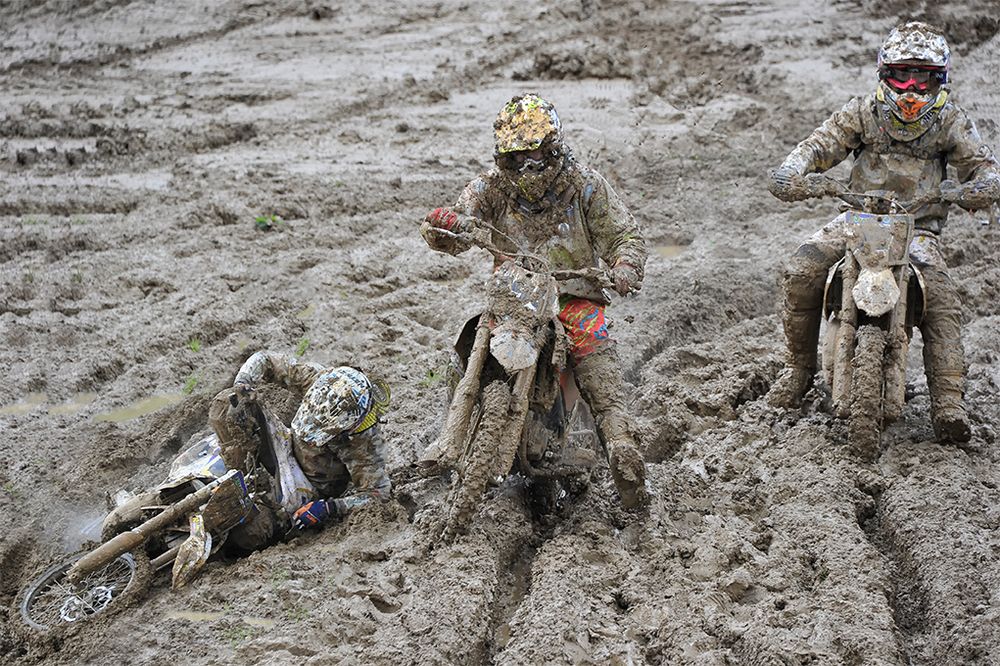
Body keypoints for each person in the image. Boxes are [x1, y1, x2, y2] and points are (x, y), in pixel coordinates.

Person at [766, 22, 1000, 442]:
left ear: (940, 80)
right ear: (883, 75)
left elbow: (985, 168)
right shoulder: (861, 113)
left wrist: (974, 190)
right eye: (901, 76)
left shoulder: (950, 121)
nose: (910, 90)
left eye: (923, 78)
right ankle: (798, 368)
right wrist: (793, 173)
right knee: (801, 270)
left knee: (943, 300)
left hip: (918, 228)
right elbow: (818, 145)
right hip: (855, 218)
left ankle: (948, 401)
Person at [418, 93, 650, 509]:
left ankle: (619, 444)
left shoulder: (586, 187)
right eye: (516, 157)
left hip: (572, 294)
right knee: (470, 341)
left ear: (553, 146)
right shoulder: (490, 188)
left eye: (537, 153)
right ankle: (451, 431)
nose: (528, 166)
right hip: (514, 293)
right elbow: (456, 223)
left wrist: (625, 266)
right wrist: (445, 228)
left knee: (594, 349)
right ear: (502, 157)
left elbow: (624, 236)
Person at [208, 350, 392, 551]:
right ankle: (237, 471)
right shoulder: (321, 379)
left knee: (252, 533)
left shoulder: (364, 442)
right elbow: (266, 359)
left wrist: (330, 507)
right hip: (285, 443)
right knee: (228, 403)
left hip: (307, 484)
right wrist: (242, 382)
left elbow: (378, 493)